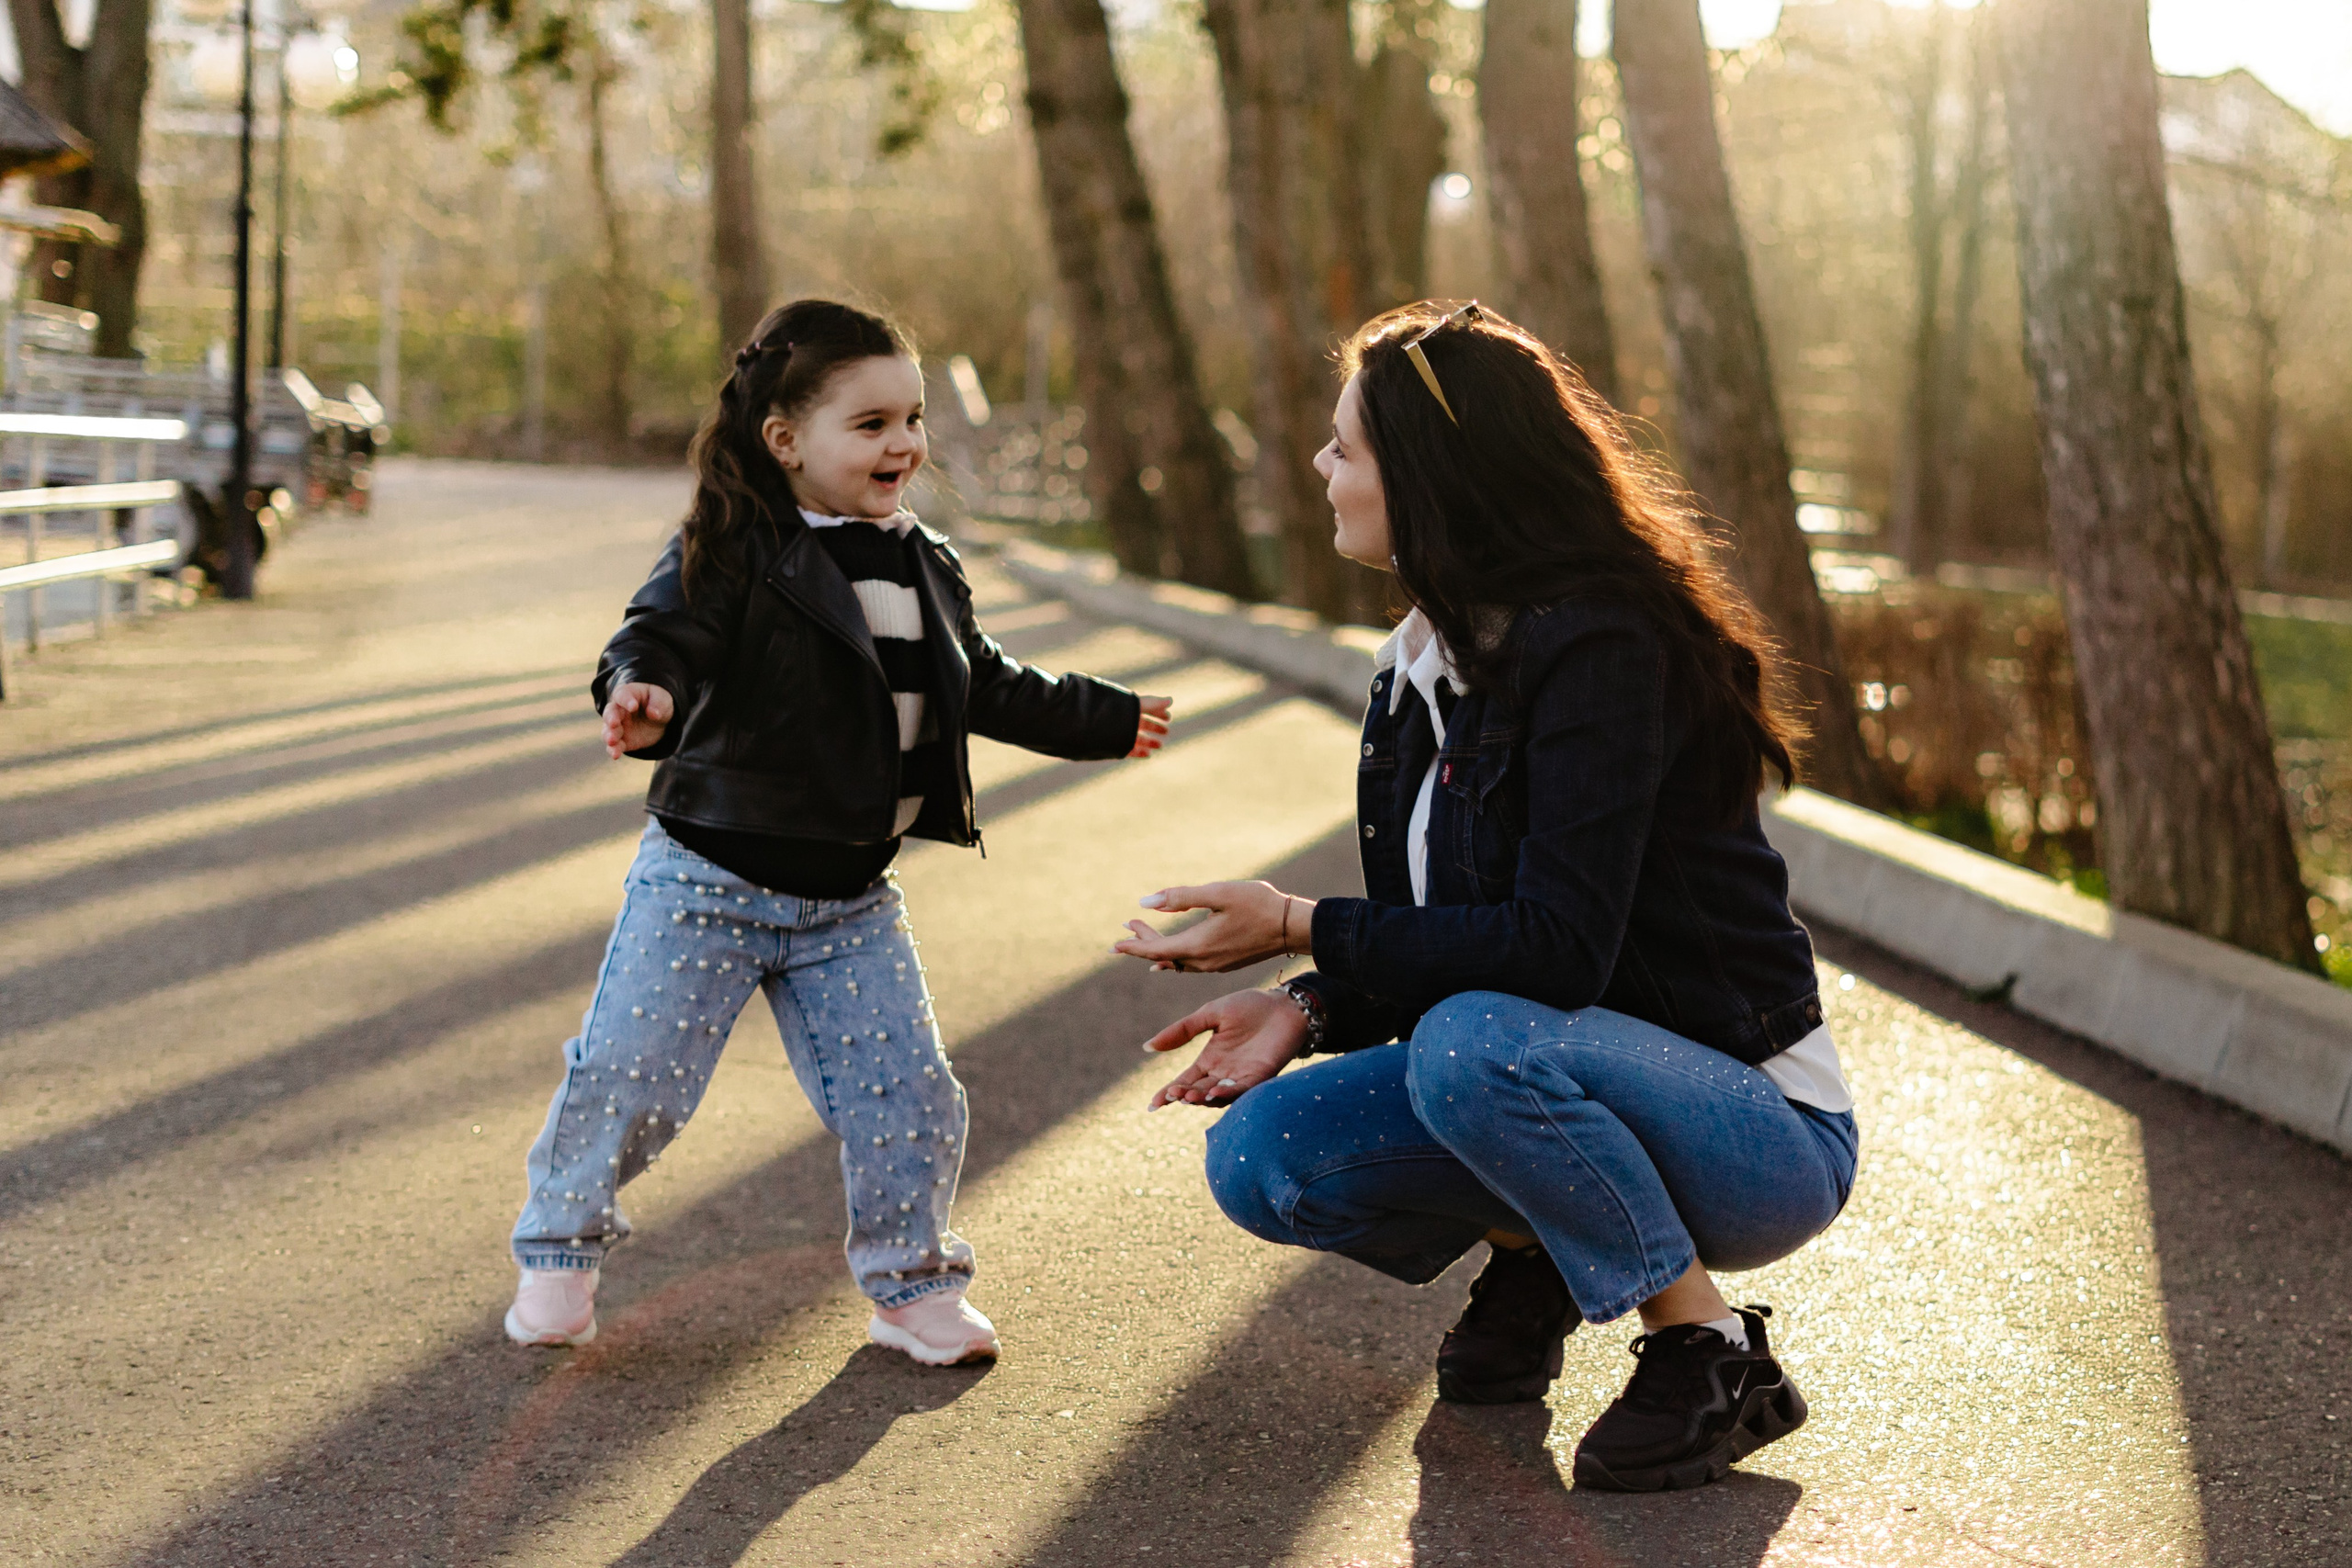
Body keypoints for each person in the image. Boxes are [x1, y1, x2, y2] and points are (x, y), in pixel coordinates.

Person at [1114, 302, 1858, 1492]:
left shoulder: (1604, 648)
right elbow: (1465, 932)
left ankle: (1709, 1349)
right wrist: (1307, 1003)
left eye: (1346, 447)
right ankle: (1543, 1247)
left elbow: (1552, 952)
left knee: (1470, 1042)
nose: (1321, 466)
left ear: (1432, 473)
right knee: (1265, 1154)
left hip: (1758, 1132)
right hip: (1564, 1070)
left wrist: (1299, 923)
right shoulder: (1420, 665)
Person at [505, 299, 1171, 1366]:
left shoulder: (924, 562)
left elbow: (983, 682)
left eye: (912, 419)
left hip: (852, 903)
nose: (904, 442)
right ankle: (557, 1251)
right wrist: (643, 694)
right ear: (786, 440)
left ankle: (913, 1287)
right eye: (870, 425)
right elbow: (658, 638)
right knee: (631, 1082)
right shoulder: (735, 550)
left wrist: (1102, 716)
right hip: (708, 879)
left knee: (908, 1096)